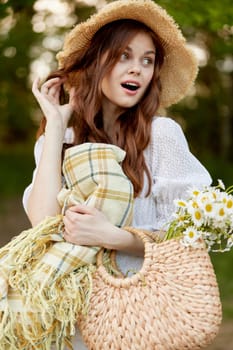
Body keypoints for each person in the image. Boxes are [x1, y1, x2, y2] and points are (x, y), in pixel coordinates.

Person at [22, 0, 212, 348]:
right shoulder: (58, 140)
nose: (137, 69)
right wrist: (54, 125)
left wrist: (114, 236)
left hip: (140, 315)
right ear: (96, 63)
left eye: (147, 60)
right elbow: (42, 223)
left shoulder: (162, 136)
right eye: (124, 55)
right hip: (75, 315)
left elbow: (188, 239)